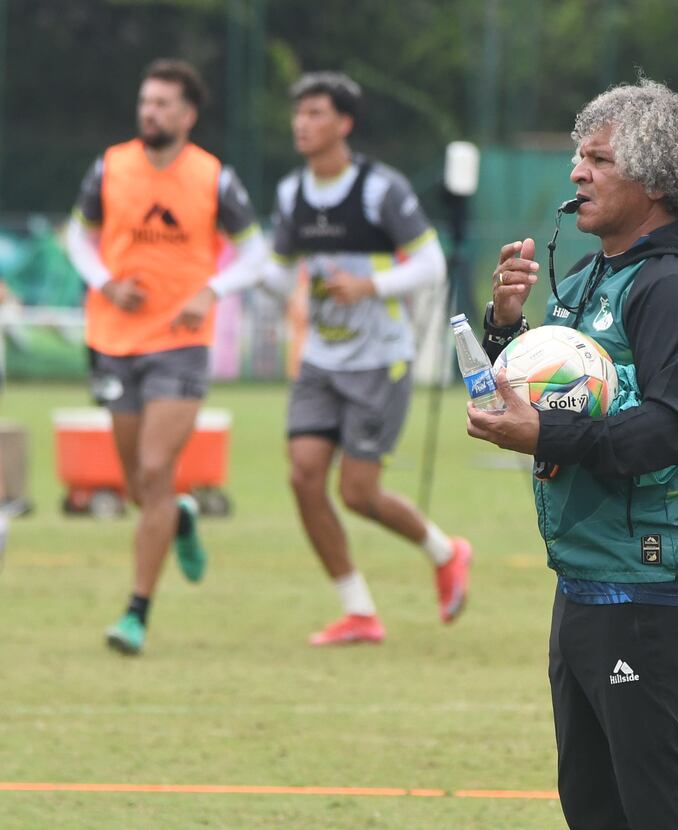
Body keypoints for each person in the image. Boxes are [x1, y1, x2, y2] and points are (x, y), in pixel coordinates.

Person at [467, 80, 678, 830]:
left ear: (655, 180)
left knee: (661, 815)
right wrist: (504, 329)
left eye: (598, 158)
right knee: (594, 811)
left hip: (654, 585)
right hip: (588, 580)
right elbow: (551, 399)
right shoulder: (597, 274)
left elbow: (670, 430)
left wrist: (543, 437)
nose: (576, 173)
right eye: (576, 155)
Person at [64, 59, 267, 656]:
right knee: (139, 487)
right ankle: (177, 514)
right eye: (144, 101)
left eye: (161, 103)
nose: (148, 111)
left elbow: (254, 252)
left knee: (154, 467)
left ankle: (135, 613)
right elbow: (77, 235)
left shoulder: (212, 178)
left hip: (180, 345)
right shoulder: (109, 166)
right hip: (113, 340)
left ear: (187, 115)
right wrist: (103, 282)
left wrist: (212, 290)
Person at [262, 72, 471, 645]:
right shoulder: (290, 195)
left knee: (357, 492)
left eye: (316, 114)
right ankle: (358, 610)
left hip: (380, 361)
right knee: (304, 477)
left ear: (344, 124)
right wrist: (260, 282)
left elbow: (431, 265)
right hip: (320, 361)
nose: (302, 124)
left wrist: (369, 286)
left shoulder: (380, 189)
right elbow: (280, 275)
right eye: (298, 114)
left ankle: (446, 552)